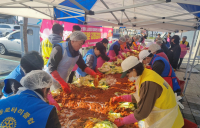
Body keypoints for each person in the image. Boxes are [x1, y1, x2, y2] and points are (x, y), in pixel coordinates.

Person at [111, 56, 184, 128]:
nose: (128, 78)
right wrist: (121, 98)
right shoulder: (146, 73)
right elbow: (141, 95)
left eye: (127, 75)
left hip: (167, 120)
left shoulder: (149, 82)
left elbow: (142, 113)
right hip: (164, 115)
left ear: (134, 70)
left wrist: (122, 121)